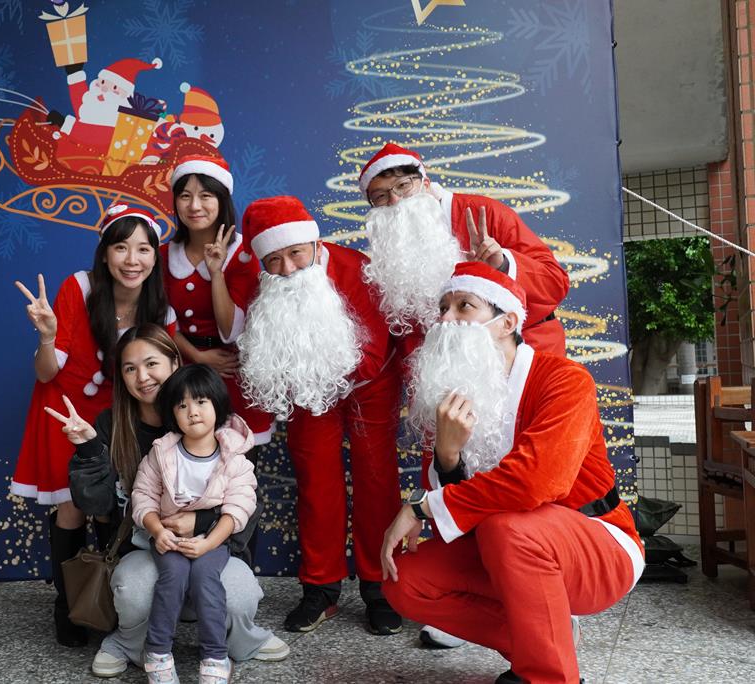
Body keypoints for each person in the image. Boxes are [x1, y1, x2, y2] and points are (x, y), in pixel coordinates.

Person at [379, 262, 644, 683]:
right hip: (503, 548)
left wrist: (422, 506)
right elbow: (465, 516)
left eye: (464, 306)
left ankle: (548, 676)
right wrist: (447, 454)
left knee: (508, 528)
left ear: (508, 323)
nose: (446, 319)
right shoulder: (453, 392)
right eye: (443, 307)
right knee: (404, 580)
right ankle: (548, 636)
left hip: (600, 546)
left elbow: (535, 482)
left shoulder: (565, 380)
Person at [46, 324, 288, 677]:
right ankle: (129, 643)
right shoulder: (113, 425)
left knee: (240, 594)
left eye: (151, 364)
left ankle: (240, 640)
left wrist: (201, 523)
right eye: (130, 368)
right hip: (146, 549)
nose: (142, 377)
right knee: (134, 590)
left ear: (175, 363)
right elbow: (96, 504)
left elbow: (248, 502)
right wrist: (88, 449)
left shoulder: (214, 422)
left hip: (211, 547)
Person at [235, 195, 403, 635]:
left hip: (370, 383)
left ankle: (380, 587)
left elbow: (373, 354)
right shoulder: (264, 284)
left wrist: (315, 370)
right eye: (274, 260)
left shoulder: (356, 269)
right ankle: (321, 588)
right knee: (315, 482)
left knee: (376, 480)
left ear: (313, 243)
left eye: (295, 253)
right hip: (307, 389)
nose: (288, 268)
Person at [10, 205, 175, 647]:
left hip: (118, 414)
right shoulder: (79, 287)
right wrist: (47, 336)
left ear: (155, 256)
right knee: (72, 505)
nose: (132, 259)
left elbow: (165, 369)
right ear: (104, 253)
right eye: (121, 247)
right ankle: (68, 607)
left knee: (109, 502)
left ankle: (108, 602)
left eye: (143, 249)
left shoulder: (160, 305)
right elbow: (47, 372)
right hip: (66, 410)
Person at [357, 142, 570, 355]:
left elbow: (555, 283)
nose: (395, 200)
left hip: (525, 349)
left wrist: (502, 265)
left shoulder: (483, 213)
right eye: (381, 196)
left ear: (425, 184)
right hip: (452, 363)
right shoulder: (390, 255)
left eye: (403, 185)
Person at [132, 364, 258, 684]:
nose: (192, 412)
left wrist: (208, 543)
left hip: (212, 540)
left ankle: (215, 656)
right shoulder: (161, 453)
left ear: (218, 405)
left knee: (205, 578)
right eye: (182, 405)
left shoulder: (234, 458)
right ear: (172, 414)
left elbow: (238, 508)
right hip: (169, 537)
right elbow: (143, 497)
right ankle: (158, 653)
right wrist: (158, 531)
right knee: (173, 575)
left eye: (201, 402)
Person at [161, 154, 275, 447]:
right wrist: (197, 356)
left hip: (233, 374)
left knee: (238, 467)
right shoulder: (162, 255)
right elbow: (158, 319)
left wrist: (216, 273)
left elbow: (231, 330)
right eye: (185, 196)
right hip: (184, 373)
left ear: (222, 200)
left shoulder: (242, 254)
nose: (194, 206)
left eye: (205, 196)